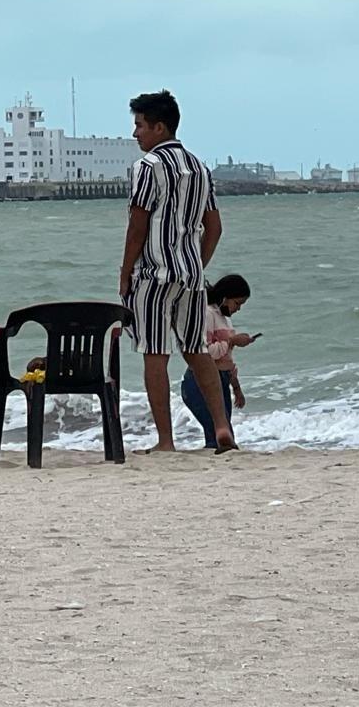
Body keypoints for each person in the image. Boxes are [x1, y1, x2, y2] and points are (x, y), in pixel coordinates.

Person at [120, 89, 237, 453]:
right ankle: (221, 426)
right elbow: (214, 226)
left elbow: (137, 225)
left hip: (153, 274)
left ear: (158, 126)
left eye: (140, 125)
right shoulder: (199, 167)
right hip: (191, 276)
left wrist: (125, 272)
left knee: (155, 354)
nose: (135, 133)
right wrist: (196, 263)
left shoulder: (149, 167)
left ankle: (165, 441)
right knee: (197, 351)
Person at [180, 274, 259, 449]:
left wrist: (236, 388)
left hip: (222, 379)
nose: (238, 309)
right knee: (216, 430)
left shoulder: (225, 319)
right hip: (200, 380)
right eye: (237, 303)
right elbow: (205, 352)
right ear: (225, 297)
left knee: (223, 430)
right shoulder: (208, 314)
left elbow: (226, 360)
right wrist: (232, 341)